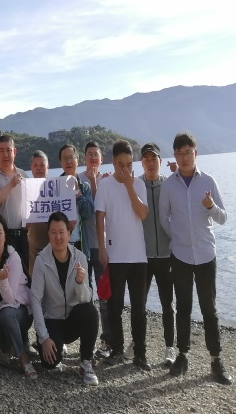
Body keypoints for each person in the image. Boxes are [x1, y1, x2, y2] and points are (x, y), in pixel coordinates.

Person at [159, 132, 232, 384]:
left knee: (209, 310)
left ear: (195, 153)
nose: (184, 158)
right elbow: (164, 218)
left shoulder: (208, 181)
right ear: (175, 155)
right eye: (179, 154)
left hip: (205, 255)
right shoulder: (169, 185)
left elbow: (223, 218)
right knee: (183, 308)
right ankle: (183, 355)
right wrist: (178, 237)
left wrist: (210, 206)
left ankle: (215, 360)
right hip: (180, 255)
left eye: (188, 152)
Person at [95, 140, 150, 370]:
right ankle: (117, 350)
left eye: (129, 164)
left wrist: (129, 186)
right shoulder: (105, 185)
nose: (125, 169)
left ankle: (140, 353)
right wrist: (102, 249)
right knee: (115, 307)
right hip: (115, 256)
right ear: (113, 162)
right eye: (121, 164)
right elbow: (99, 218)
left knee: (139, 308)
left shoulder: (138, 184)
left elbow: (143, 214)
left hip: (138, 257)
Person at [30, 212, 99, 386]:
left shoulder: (80, 258)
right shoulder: (41, 261)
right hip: (53, 320)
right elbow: (35, 300)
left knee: (90, 311)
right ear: (48, 235)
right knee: (50, 363)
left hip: (73, 319)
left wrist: (80, 283)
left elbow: (86, 298)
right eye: (53, 232)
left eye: (62, 232)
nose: (58, 237)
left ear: (69, 233)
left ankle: (86, 362)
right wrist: (44, 338)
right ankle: (54, 346)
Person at [124, 143, 175, 366]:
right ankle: (136, 343)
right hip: (142, 257)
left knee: (167, 304)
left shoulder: (170, 184)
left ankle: (169, 347)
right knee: (139, 304)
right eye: (146, 159)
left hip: (166, 255)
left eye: (154, 159)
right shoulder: (136, 185)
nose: (150, 163)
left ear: (160, 162)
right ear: (141, 163)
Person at [0, 213, 37, 380]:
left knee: (6, 314)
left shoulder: (13, 258)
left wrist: (2, 281)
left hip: (20, 311)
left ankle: (23, 358)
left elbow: (10, 299)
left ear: (5, 236)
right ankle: (8, 347)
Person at [80, 141, 112, 359]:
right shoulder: (77, 180)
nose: (93, 157)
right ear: (84, 158)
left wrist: (94, 182)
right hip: (83, 247)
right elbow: (86, 211)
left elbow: (103, 210)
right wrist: (90, 181)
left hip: (102, 247)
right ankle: (87, 340)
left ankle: (107, 340)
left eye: (96, 154)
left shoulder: (108, 180)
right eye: (89, 154)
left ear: (101, 159)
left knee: (105, 296)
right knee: (85, 296)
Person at [0, 135, 28, 267]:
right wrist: (11, 184)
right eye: (2, 151)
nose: (5, 155)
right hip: (2, 237)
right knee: (2, 273)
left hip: (22, 236)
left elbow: (31, 205)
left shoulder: (24, 175)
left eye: (9, 150)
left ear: (14, 152)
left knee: (25, 274)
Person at [59, 144, 95, 256]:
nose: (68, 161)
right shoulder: (54, 187)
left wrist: (78, 195)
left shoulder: (84, 187)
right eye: (65, 158)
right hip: (60, 243)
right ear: (61, 163)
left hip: (80, 244)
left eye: (71, 157)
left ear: (78, 160)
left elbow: (88, 213)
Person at [27, 150, 49, 277]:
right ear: (31, 168)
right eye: (35, 165)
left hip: (54, 244)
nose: (39, 168)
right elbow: (25, 224)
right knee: (35, 281)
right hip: (34, 246)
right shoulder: (26, 189)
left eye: (42, 165)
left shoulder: (58, 188)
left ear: (48, 166)